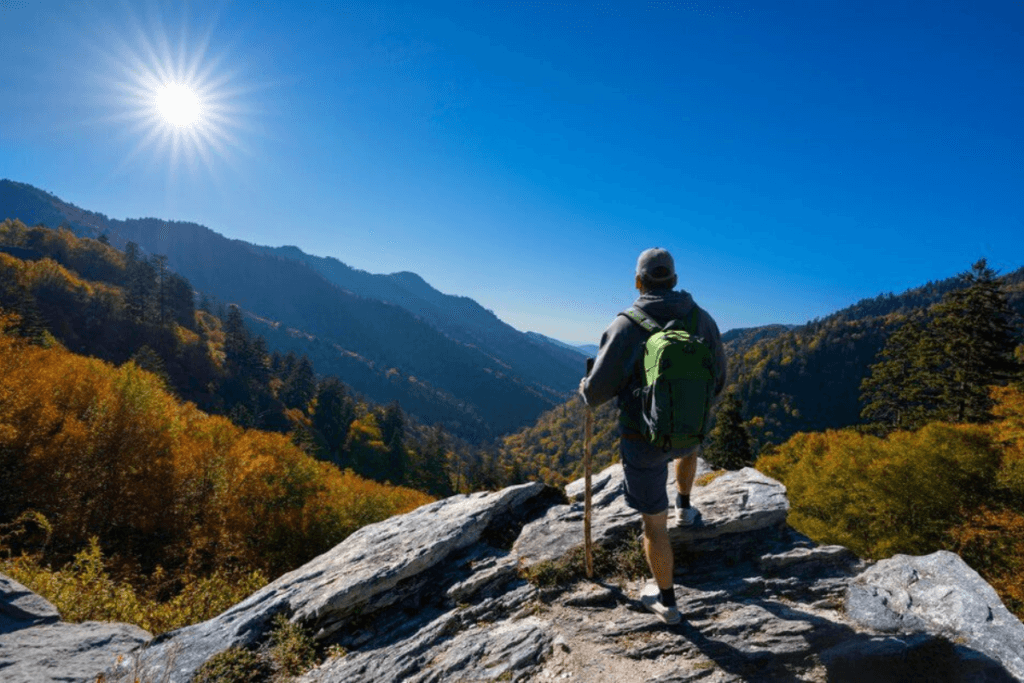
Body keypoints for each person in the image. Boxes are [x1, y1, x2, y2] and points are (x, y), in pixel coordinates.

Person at [579, 247, 727, 624]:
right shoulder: (703, 321)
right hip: (689, 431)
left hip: (641, 438)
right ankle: (686, 506)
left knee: (653, 525)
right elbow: (719, 381)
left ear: (638, 281)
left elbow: (595, 394)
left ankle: (667, 602)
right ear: (675, 280)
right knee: (686, 449)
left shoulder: (625, 326)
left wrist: (585, 384)